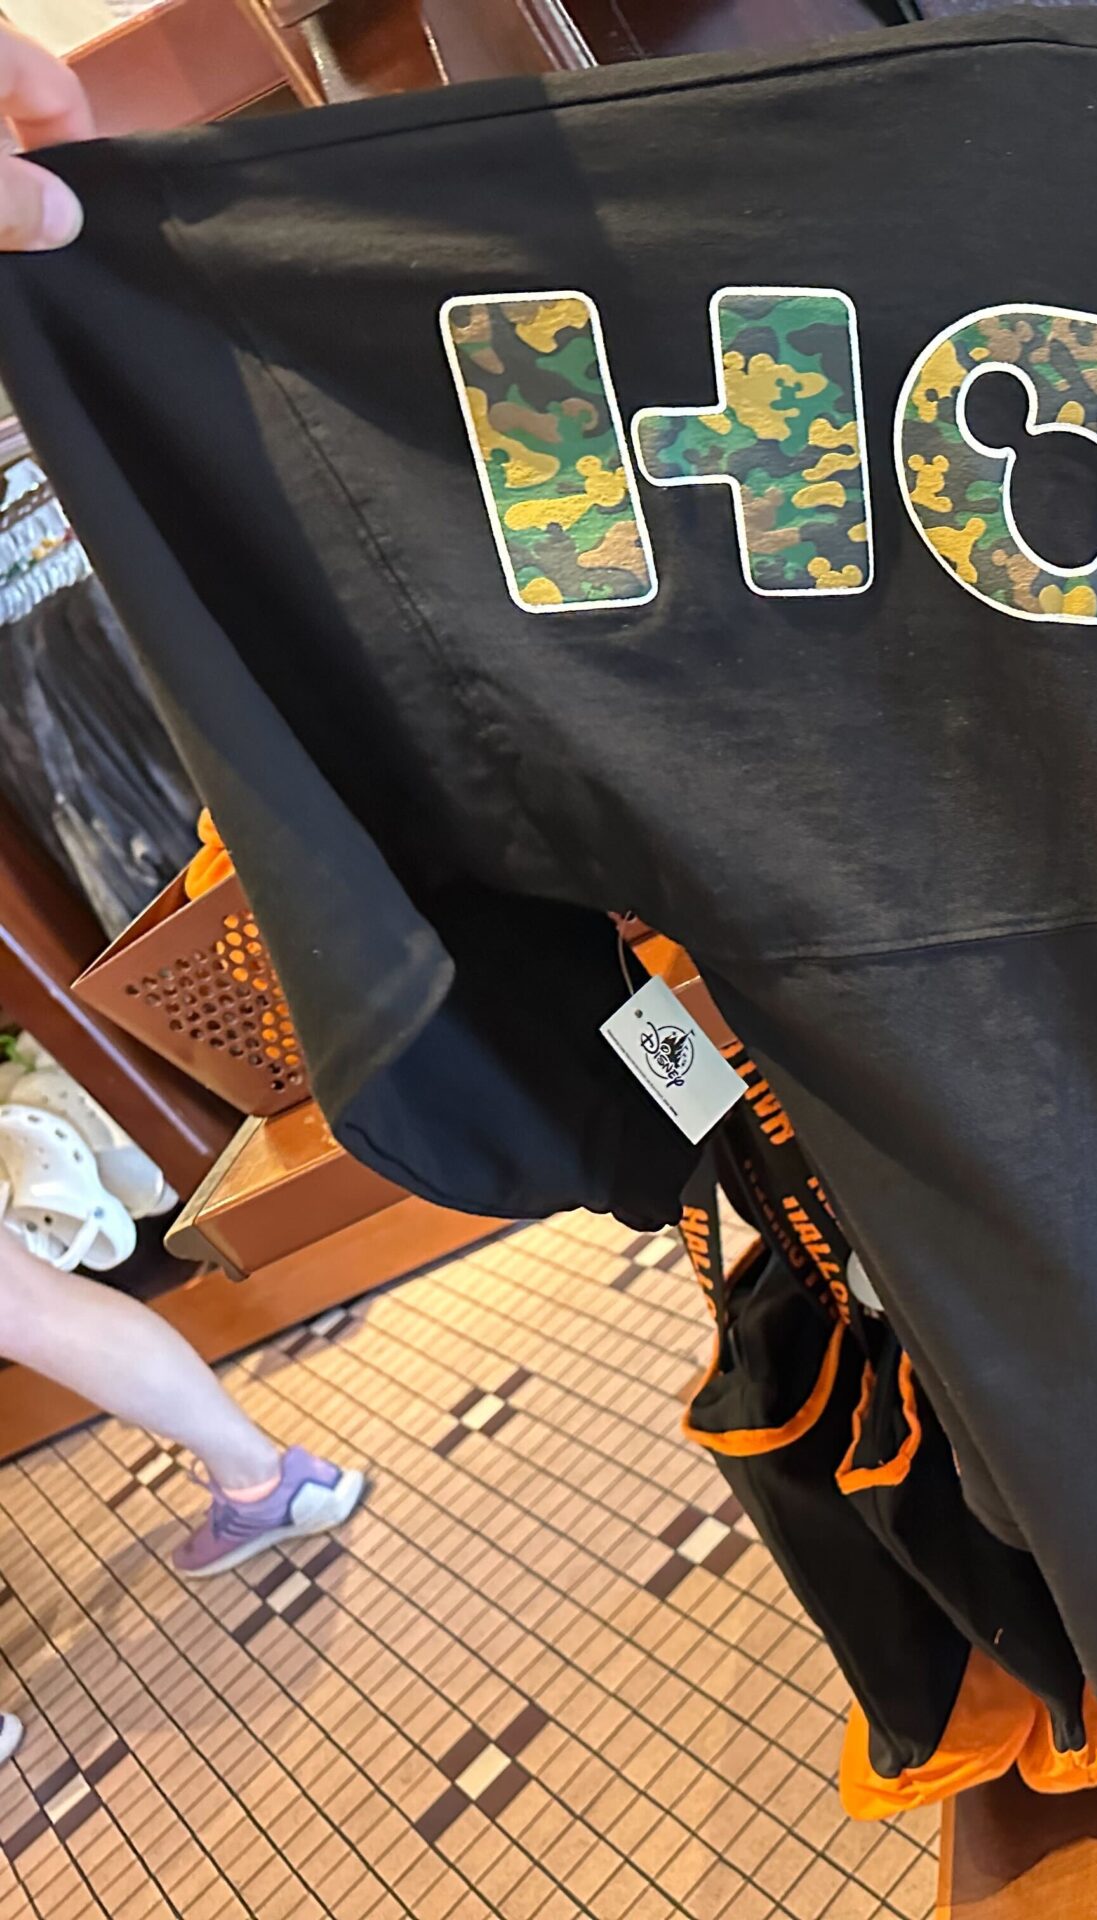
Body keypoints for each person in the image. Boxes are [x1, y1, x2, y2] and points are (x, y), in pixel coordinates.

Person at [0, 40, 362, 1812]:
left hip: (64, 648)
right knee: (242, 849)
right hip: (116, 603)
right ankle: (265, 1464)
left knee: (179, 876)